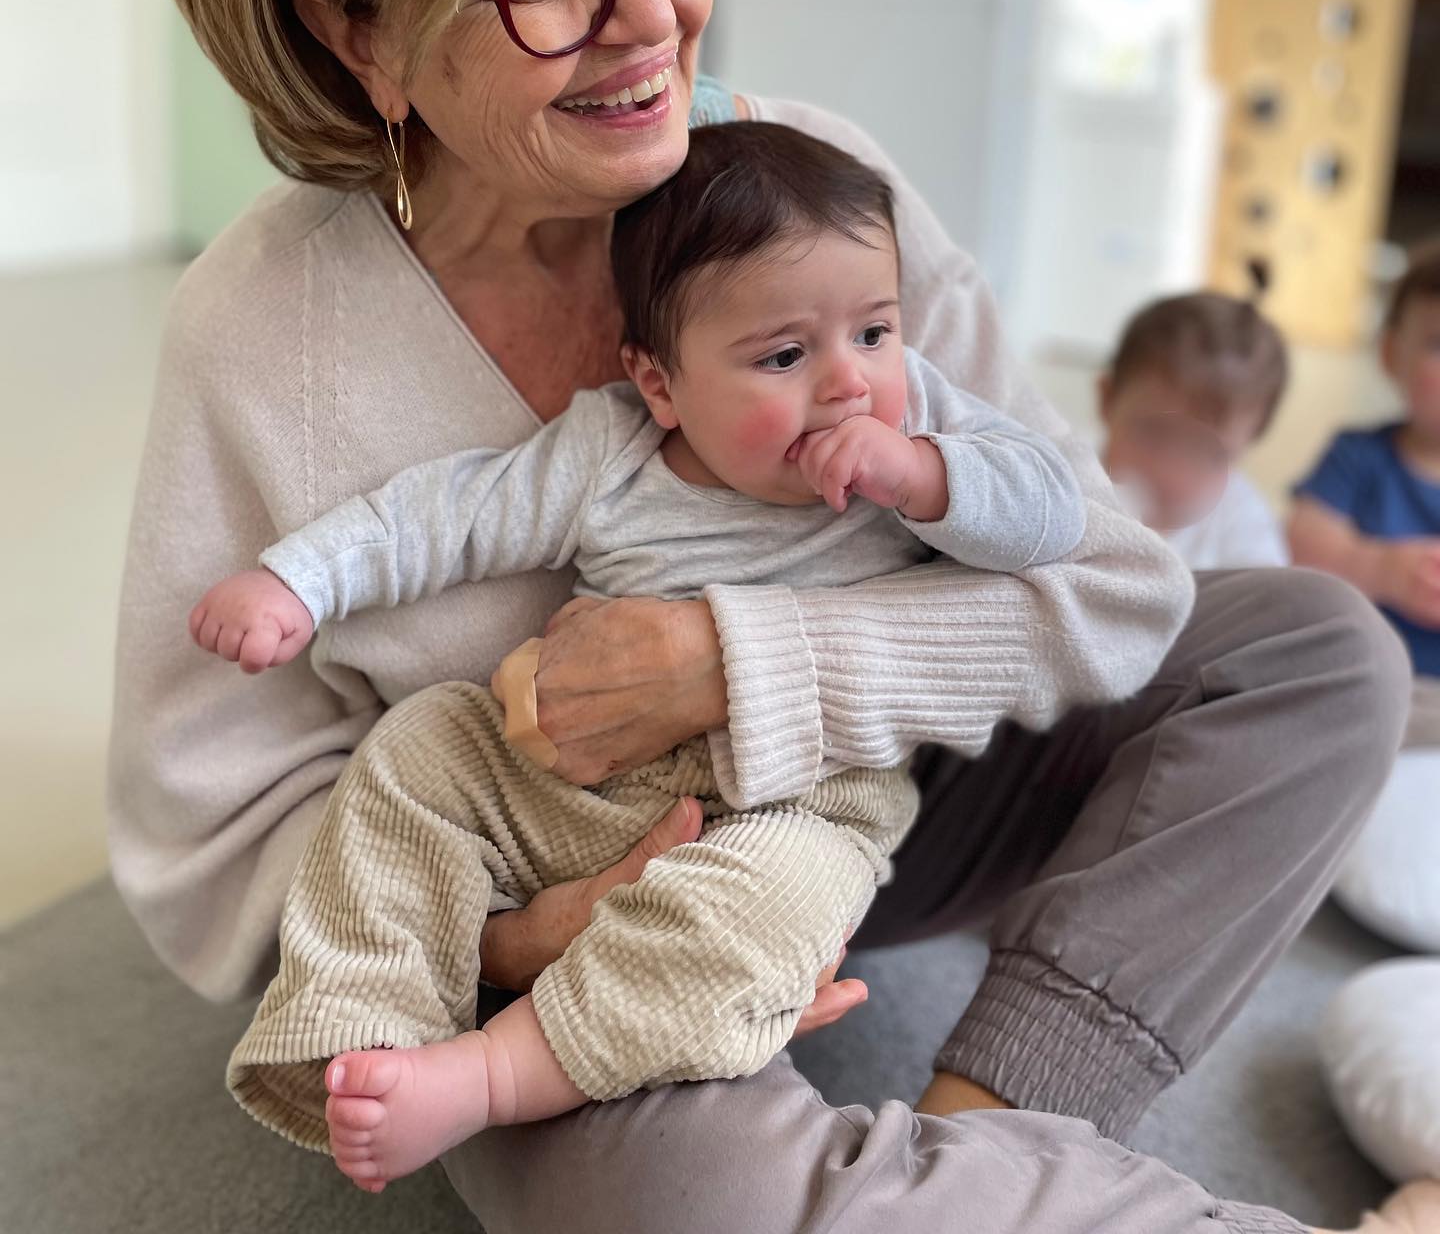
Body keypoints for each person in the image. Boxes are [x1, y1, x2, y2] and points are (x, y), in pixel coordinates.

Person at [110, 0, 1413, 1234]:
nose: (652, 17)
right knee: (674, 1196)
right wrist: (522, 940)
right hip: (565, 930)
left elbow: (1113, 584)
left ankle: (973, 1139)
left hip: (874, 805)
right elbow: (215, 841)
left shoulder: (813, 193)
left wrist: (744, 666)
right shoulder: (264, 336)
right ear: (356, 37)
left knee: (1316, 653)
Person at [198, 121, 1088, 1185]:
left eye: (875, 332)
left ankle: (496, 1074)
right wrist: (298, 580)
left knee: (768, 906)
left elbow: (1055, 514)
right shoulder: (611, 450)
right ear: (660, 383)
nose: (849, 384)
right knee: (420, 746)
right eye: (786, 356)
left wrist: (928, 477)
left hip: (791, 800)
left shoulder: (923, 429)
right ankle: (367, 1023)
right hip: (573, 782)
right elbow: (449, 514)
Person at [1289, 247, 1440, 746]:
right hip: (1364, 677)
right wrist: (1380, 569)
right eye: (1438, 344)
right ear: (1391, 354)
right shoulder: (1357, 455)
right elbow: (1302, 543)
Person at [1098, 292, 1290, 569]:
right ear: (1106, 400)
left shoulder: (1242, 521)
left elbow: (1265, 593)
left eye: (1209, 453)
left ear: (1253, 438)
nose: (1170, 474)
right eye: (1153, 433)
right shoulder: (1066, 484)